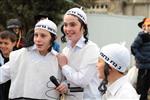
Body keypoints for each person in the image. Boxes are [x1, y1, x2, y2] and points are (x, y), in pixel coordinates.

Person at [0, 19, 67, 100]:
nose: (38, 39)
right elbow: (2, 74)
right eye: (36, 35)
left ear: (53, 38)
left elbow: (65, 81)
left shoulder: (58, 58)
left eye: (43, 36)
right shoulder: (20, 55)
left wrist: (64, 85)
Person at [57, 7, 101, 100]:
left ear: (83, 27)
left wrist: (64, 66)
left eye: (72, 24)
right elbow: (68, 78)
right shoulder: (66, 50)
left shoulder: (91, 49)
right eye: (65, 24)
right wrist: (65, 84)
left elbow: (82, 80)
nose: (68, 29)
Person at [131, 18, 150, 100]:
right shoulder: (142, 36)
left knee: (144, 90)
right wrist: (142, 58)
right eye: (146, 25)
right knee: (141, 90)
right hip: (144, 68)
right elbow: (133, 48)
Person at [0, 30, 17, 100]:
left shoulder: (19, 58)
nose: (2, 46)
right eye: (0, 43)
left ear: (14, 43)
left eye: (6, 43)